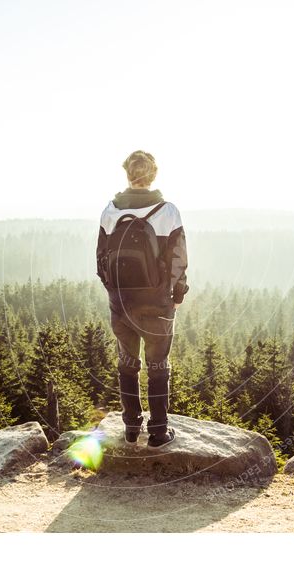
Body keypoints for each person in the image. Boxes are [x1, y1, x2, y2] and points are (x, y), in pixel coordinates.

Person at [95, 150, 189, 448]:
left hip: (121, 302)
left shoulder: (110, 211)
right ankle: (159, 432)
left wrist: (115, 293)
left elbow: (100, 260)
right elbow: (178, 259)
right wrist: (177, 295)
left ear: (127, 174)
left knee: (127, 362)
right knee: (158, 364)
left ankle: (131, 428)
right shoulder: (168, 211)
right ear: (153, 174)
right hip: (156, 302)